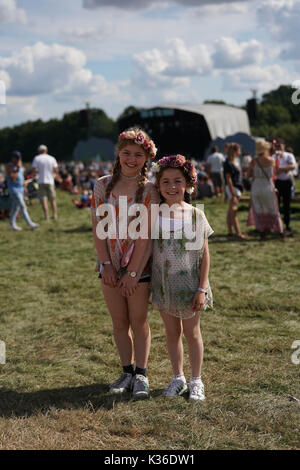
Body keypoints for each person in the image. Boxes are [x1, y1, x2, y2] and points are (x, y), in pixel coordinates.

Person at [91, 128, 159, 399]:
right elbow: (98, 228)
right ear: (118, 153)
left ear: (146, 157)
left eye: (138, 155)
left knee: (139, 320)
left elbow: (146, 236)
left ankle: (141, 373)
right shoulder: (102, 184)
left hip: (138, 266)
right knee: (119, 321)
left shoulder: (149, 190)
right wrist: (105, 264)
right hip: (109, 264)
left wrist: (132, 272)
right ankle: (126, 371)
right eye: (127, 153)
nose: (132, 159)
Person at [151, 155, 213, 402]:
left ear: (188, 184)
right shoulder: (154, 215)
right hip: (163, 285)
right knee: (171, 332)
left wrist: (202, 288)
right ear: (159, 185)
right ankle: (178, 378)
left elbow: (205, 255)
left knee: (192, 332)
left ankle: (196, 380)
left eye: (177, 181)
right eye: (165, 181)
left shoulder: (196, 215)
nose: (171, 187)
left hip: (190, 286)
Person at [247, 140, 283, 240]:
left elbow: (248, 175)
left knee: (258, 209)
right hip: (268, 185)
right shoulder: (271, 160)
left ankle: (262, 231)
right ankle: (279, 230)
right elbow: (275, 173)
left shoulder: (254, 161)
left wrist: (256, 174)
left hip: (256, 186)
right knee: (272, 209)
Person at [5, 151, 38, 231]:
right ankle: (30, 224)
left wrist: (24, 186)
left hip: (21, 189)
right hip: (14, 190)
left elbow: (21, 177)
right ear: (13, 158)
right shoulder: (9, 166)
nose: (18, 160)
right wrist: (17, 168)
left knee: (15, 208)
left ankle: (12, 224)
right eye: (17, 158)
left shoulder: (20, 165)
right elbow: (13, 178)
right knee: (23, 206)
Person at [223, 143, 247, 239]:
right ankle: (238, 233)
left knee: (230, 211)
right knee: (234, 212)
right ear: (235, 151)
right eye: (239, 150)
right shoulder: (228, 163)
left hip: (236, 188)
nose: (240, 152)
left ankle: (230, 231)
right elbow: (228, 179)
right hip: (233, 189)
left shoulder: (235, 161)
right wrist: (233, 194)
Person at [272, 139, 296, 234]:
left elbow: (293, 166)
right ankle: (277, 225)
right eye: (276, 145)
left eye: (279, 145)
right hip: (277, 182)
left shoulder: (289, 155)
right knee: (276, 204)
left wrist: (280, 169)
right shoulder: (273, 156)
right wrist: (285, 169)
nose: (278, 147)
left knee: (287, 204)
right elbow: (273, 170)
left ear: (284, 146)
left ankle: (287, 224)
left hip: (286, 182)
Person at [32, 145, 58, 221]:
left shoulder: (36, 158)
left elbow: (34, 170)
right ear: (46, 150)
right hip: (50, 181)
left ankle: (47, 216)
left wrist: (37, 173)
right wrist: (53, 175)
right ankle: (55, 215)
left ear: (39, 151)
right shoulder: (51, 158)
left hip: (40, 181)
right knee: (52, 199)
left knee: (43, 199)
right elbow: (56, 170)